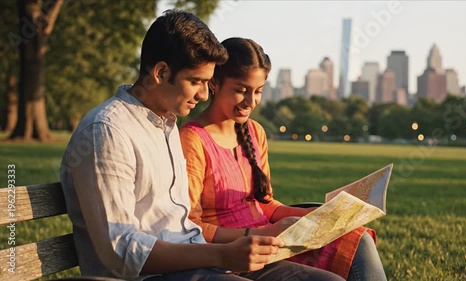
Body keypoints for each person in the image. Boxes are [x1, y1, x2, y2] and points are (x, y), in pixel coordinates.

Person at [60, 10, 342, 281]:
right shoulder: (108, 132)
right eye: (196, 81)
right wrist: (220, 255)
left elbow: (181, 225)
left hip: (201, 262)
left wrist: (233, 249)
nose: (205, 94)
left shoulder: (165, 123)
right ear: (160, 72)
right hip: (152, 276)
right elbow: (121, 251)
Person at [179, 37, 387, 281]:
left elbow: (264, 202)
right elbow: (191, 226)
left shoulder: (254, 131)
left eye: (258, 92)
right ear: (214, 83)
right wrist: (264, 233)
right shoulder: (192, 140)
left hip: (274, 240)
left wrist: (314, 217)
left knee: (357, 236)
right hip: (236, 253)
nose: (250, 102)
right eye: (241, 90)